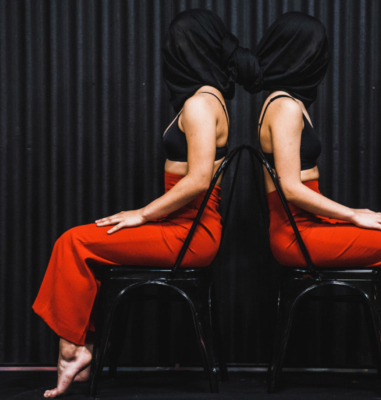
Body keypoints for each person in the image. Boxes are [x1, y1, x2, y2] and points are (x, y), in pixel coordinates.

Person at [249, 11, 381, 400]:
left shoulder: (287, 102)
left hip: (309, 226)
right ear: (301, 54)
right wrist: (355, 214)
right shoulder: (283, 107)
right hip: (297, 235)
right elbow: (291, 188)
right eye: (317, 51)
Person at [32, 8, 248, 398]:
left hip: (189, 234)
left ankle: (74, 351)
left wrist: (141, 214)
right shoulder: (209, 99)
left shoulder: (200, 104)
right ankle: (80, 346)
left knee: (73, 242)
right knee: (81, 243)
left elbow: (199, 180)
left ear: (185, 50)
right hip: (183, 228)